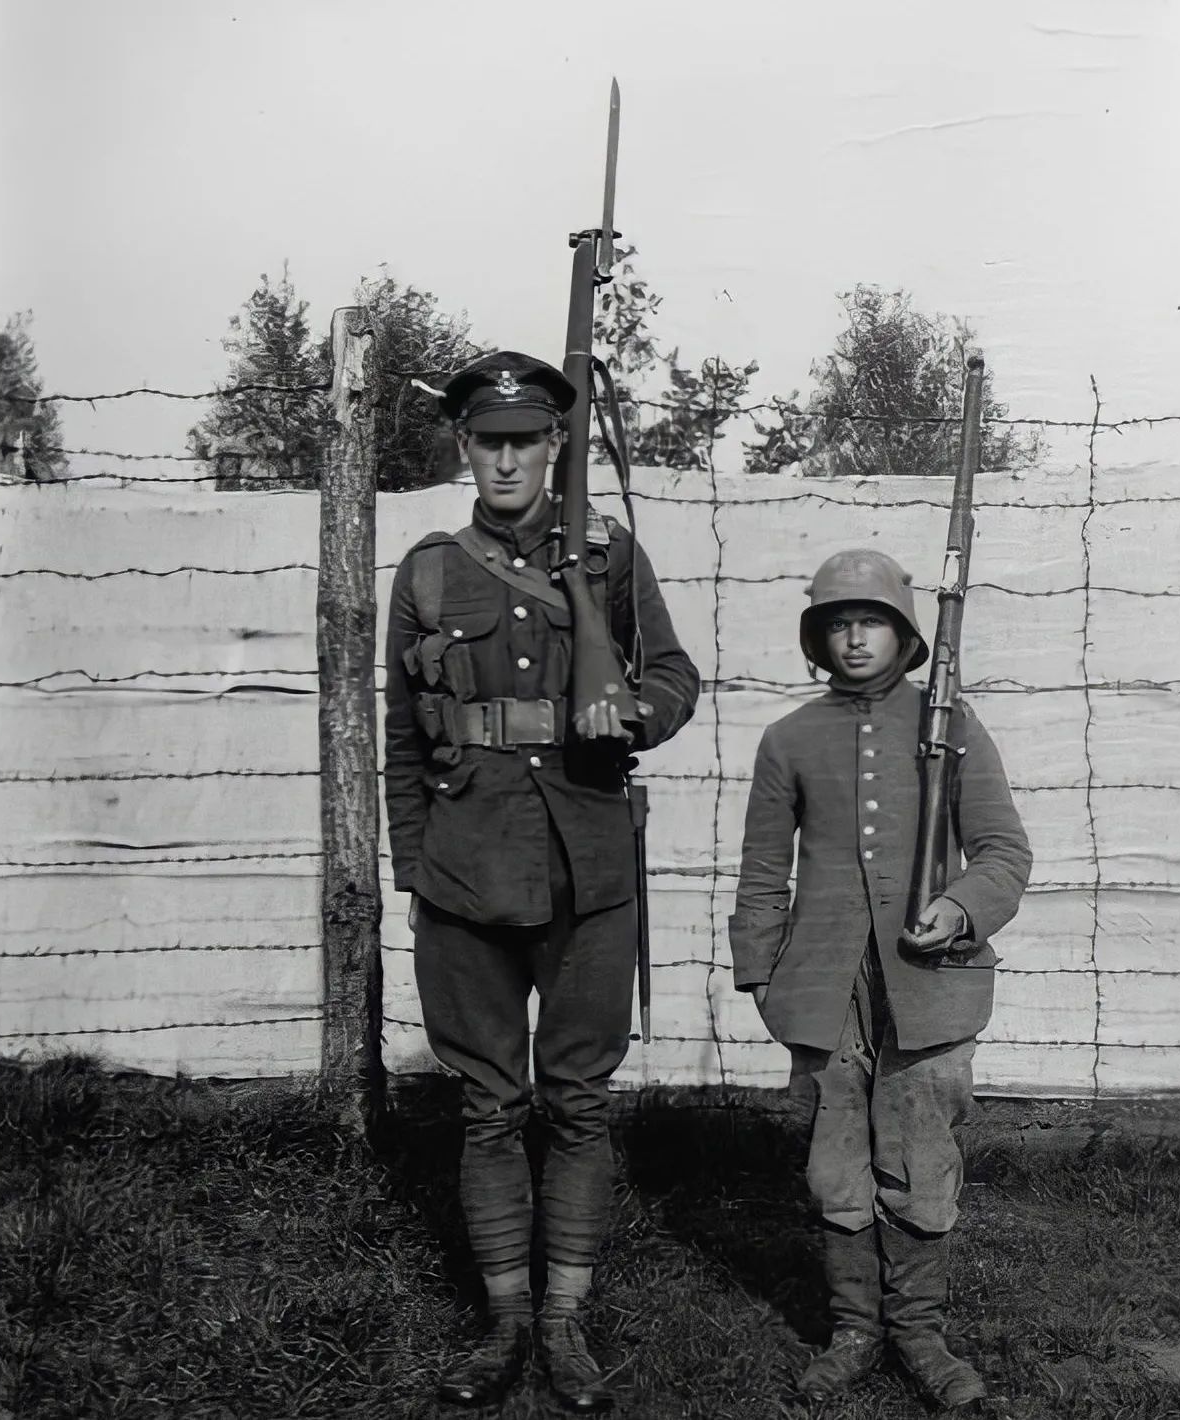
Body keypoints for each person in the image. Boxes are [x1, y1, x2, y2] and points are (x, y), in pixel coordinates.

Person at [383, 350, 701, 1411]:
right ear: (464, 447)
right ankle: (505, 1320)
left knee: (576, 1103)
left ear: (556, 445)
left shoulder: (607, 556)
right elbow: (400, 737)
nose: (508, 457)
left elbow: (671, 672)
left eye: (526, 439)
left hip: (586, 867)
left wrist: (637, 714)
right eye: (489, 440)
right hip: (465, 873)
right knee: (485, 1107)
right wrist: (414, 864)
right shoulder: (427, 571)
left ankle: (565, 1322)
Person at [729, 549, 1031, 1413]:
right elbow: (761, 874)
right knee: (836, 1162)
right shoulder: (788, 740)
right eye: (837, 622)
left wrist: (961, 908)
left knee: (921, 1152)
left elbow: (1005, 853)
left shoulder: (953, 727)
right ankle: (854, 1330)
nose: (854, 637)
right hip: (823, 988)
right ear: (817, 639)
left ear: (905, 636)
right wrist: (763, 974)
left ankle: (920, 1333)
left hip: (929, 983)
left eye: (871, 622)